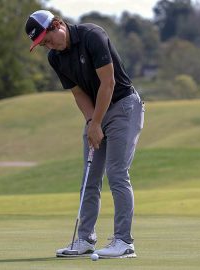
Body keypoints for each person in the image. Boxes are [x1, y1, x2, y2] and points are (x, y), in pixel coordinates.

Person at [25, 10, 144, 258]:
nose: (48, 46)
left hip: (124, 106)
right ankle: (85, 239)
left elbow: (108, 83)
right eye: (42, 44)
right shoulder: (55, 59)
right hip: (97, 113)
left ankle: (124, 242)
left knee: (117, 173)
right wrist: (92, 122)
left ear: (58, 24)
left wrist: (97, 122)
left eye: (47, 39)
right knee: (90, 178)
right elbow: (79, 93)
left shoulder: (92, 35)